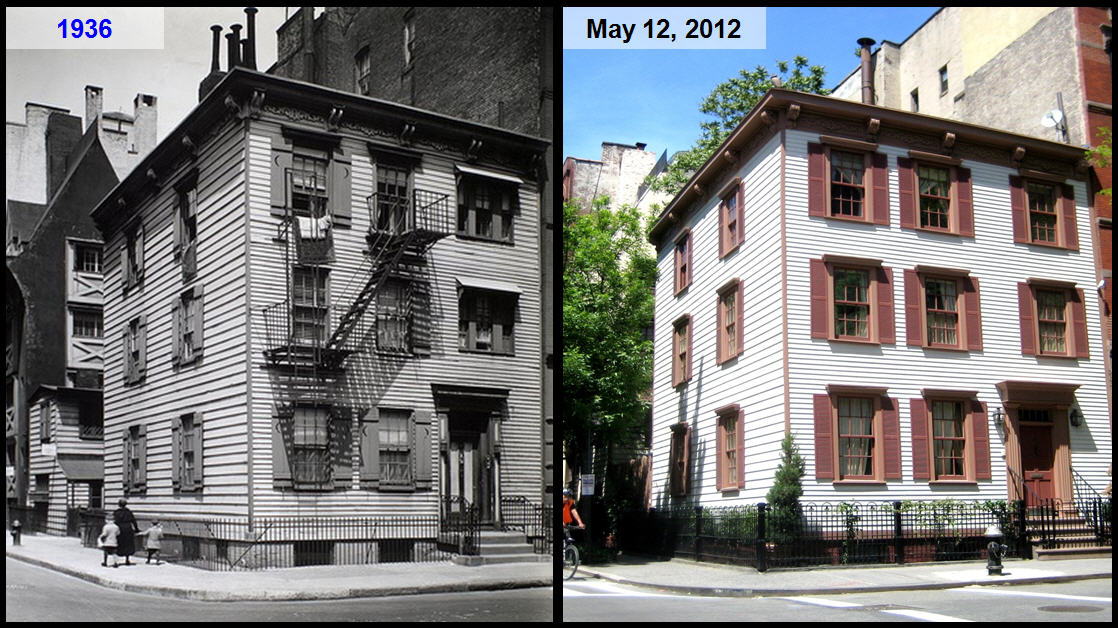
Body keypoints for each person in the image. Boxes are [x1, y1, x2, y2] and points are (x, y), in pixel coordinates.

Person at [113, 499, 140, 566]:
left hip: (120, 528)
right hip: (128, 528)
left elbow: (115, 521)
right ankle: (127, 559)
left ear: (119, 504)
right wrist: (136, 529)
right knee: (128, 544)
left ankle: (116, 560)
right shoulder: (129, 512)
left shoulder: (116, 512)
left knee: (119, 543)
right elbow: (133, 521)